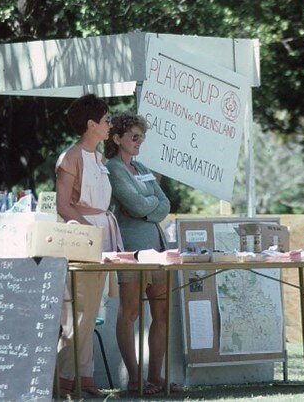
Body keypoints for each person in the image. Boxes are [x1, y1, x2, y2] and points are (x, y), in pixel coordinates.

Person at [105, 113, 181, 395]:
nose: (139, 142)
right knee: (130, 312)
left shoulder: (141, 166)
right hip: (131, 250)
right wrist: (149, 208)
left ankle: (155, 378)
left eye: (141, 137)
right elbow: (137, 206)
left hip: (158, 249)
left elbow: (165, 203)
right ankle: (135, 379)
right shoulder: (113, 168)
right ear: (116, 139)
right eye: (134, 137)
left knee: (161, 313)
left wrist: (146, 208)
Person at [55, 93, 123, 398]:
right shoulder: (70, 157)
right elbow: (63, 206)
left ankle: (83, 375)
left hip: (102, 237)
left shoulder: (99, 158)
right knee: (77, 313)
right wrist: (88, 233)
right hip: (80, 240)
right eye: (106, 119)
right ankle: (66, 377)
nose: (110, 124)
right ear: (91, 124)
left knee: (92, 309)